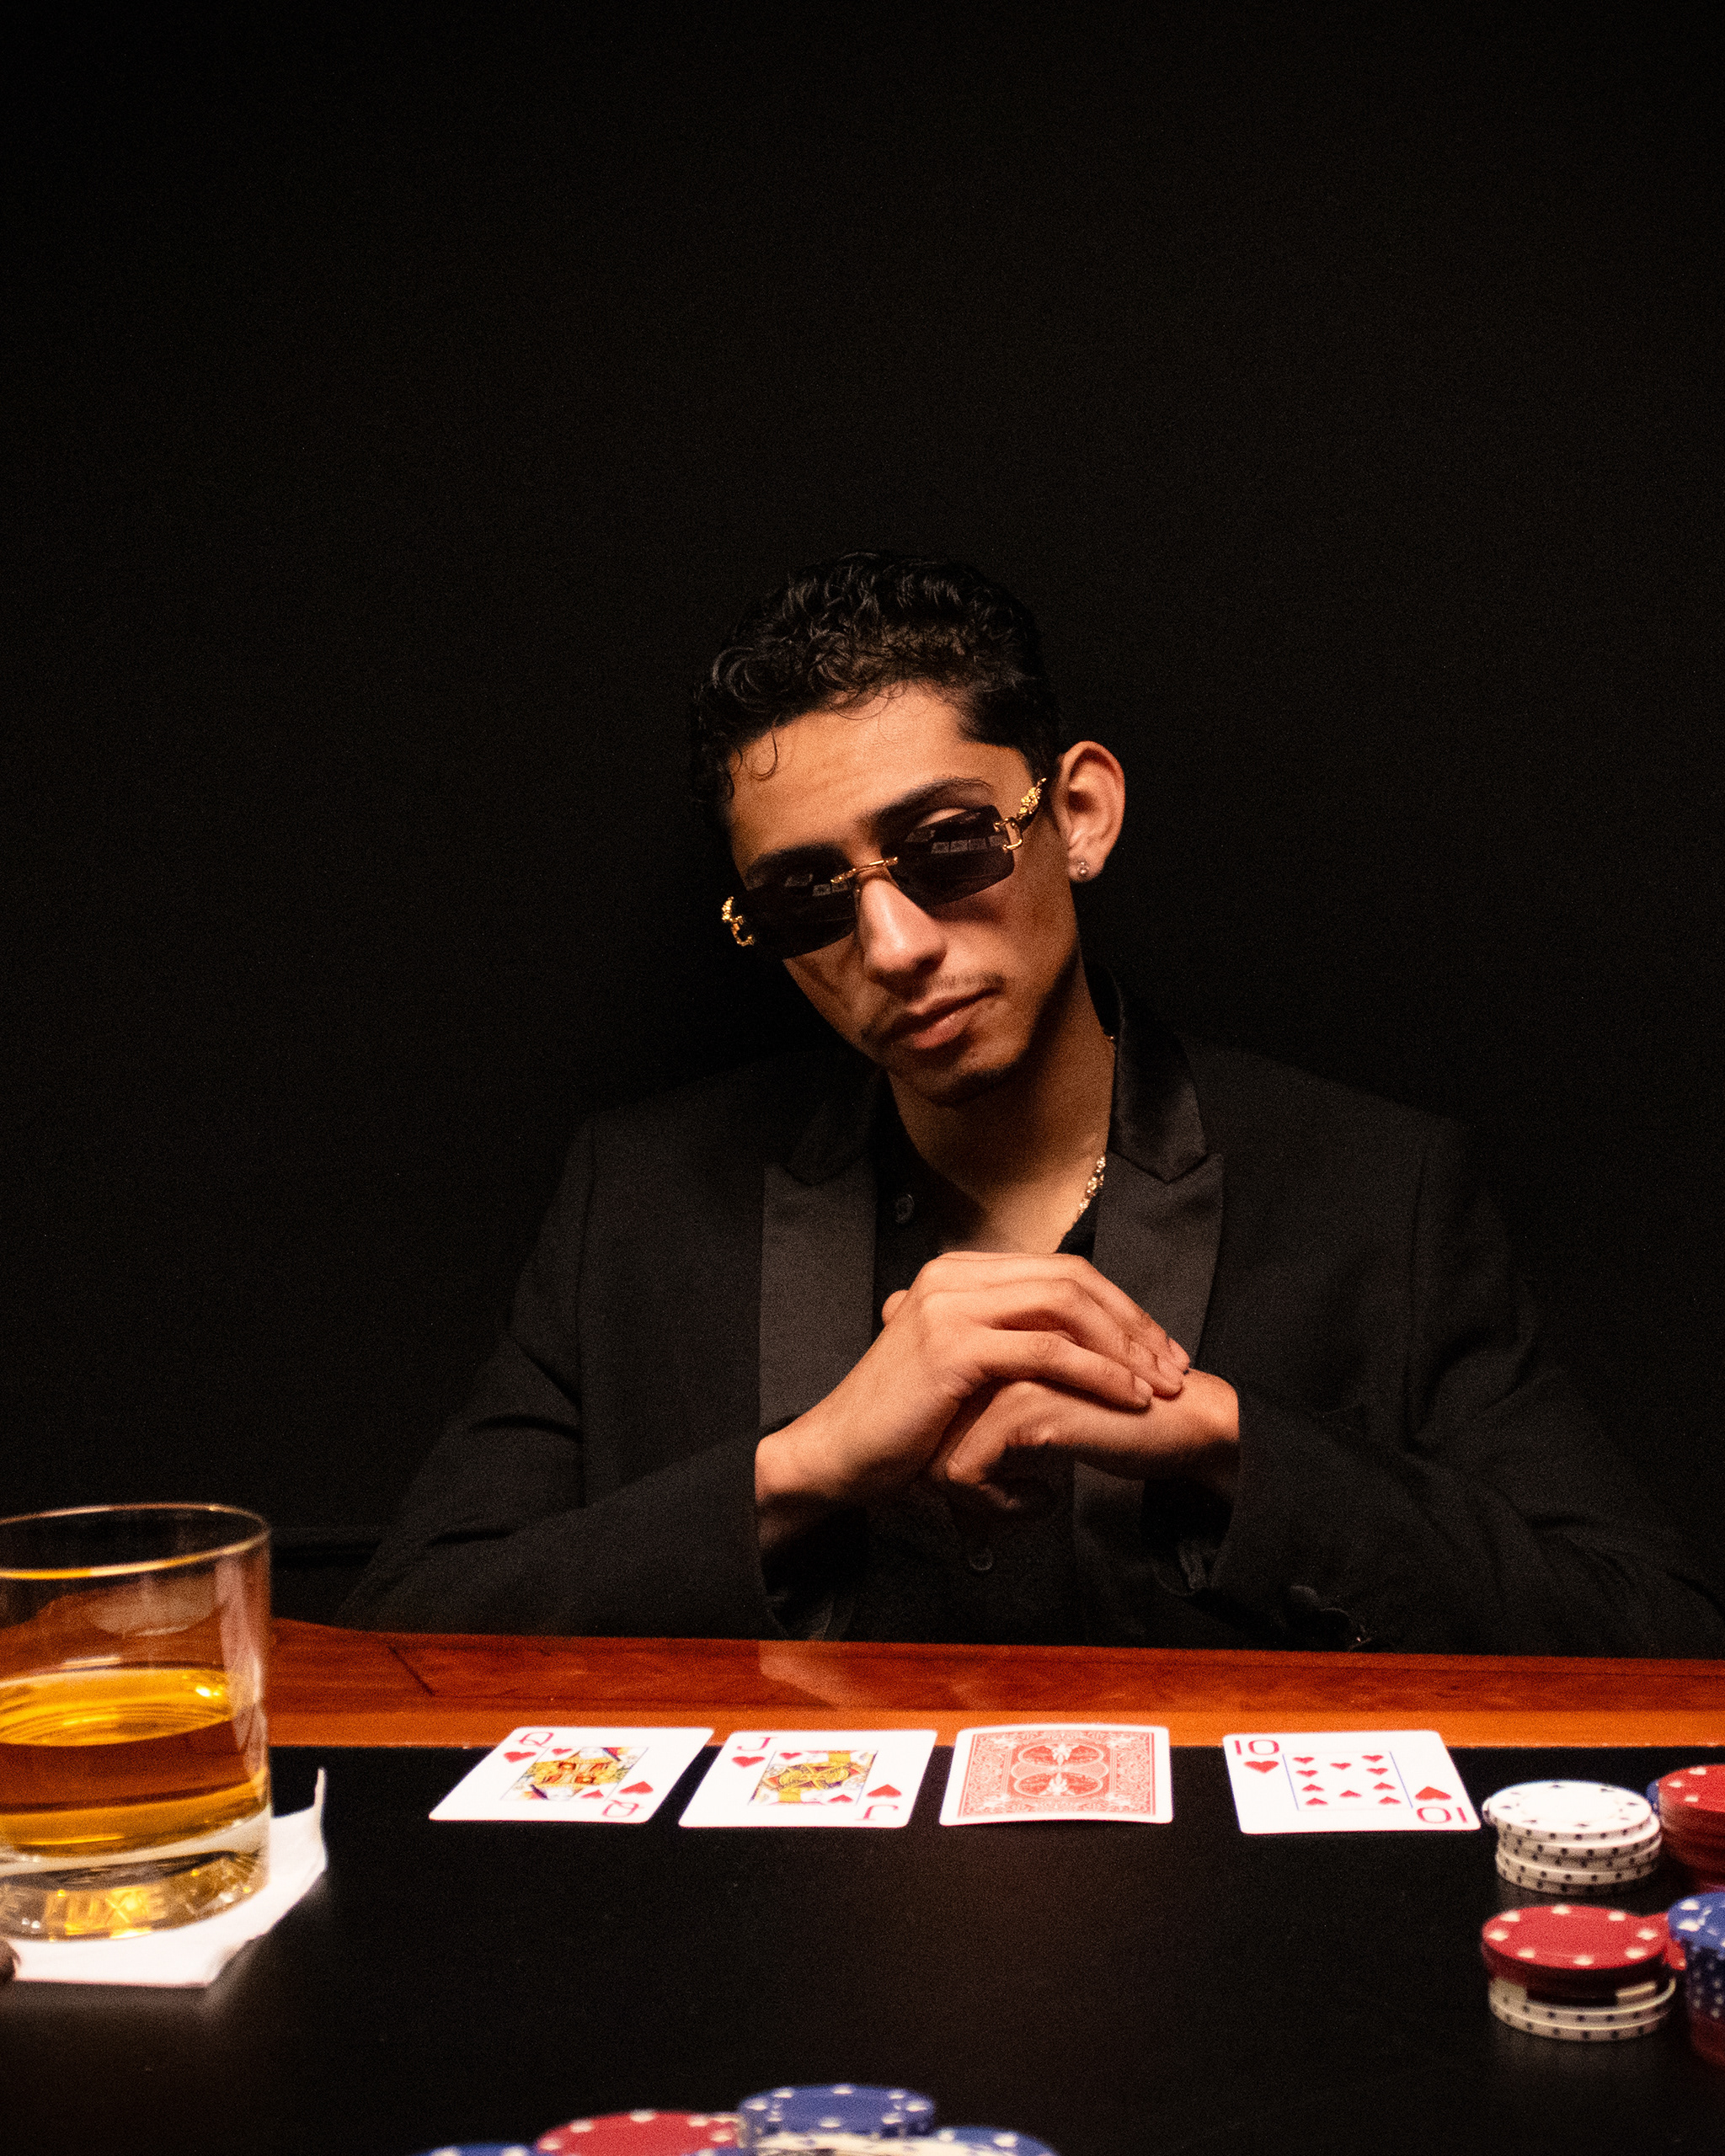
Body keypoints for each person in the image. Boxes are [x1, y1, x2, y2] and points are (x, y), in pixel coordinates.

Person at [343, 553, 1723, 1653]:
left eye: (947, 847)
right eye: (808, 899)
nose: (892, 946)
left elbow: (1653, 1634)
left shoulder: (1377, 1192)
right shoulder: (638, 1203)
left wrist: (1235, 1448)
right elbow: (406, 1633)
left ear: (1080, 815)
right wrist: (802, 1469)